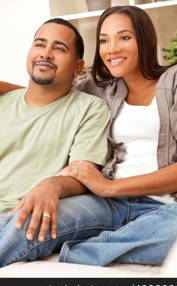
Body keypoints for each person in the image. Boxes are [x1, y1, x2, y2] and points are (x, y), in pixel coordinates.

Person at [1, 5, 177, 267]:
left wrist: (108, 187)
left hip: (169, 206)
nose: (112, 49)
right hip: (107, 204)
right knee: (33, 217)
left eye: (124, 37)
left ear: (144, 40)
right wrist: (17, 91)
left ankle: (81, 252)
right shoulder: (98, 89)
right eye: (103, 40)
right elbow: (49, 89)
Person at [0, 18, 110, 267]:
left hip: (19, 214)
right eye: (40, 44)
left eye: (59, 48)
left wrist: (52, 185)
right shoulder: (4, 101)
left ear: (77, 66)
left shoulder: (90, 109)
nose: (46, 54)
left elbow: (85, 171)